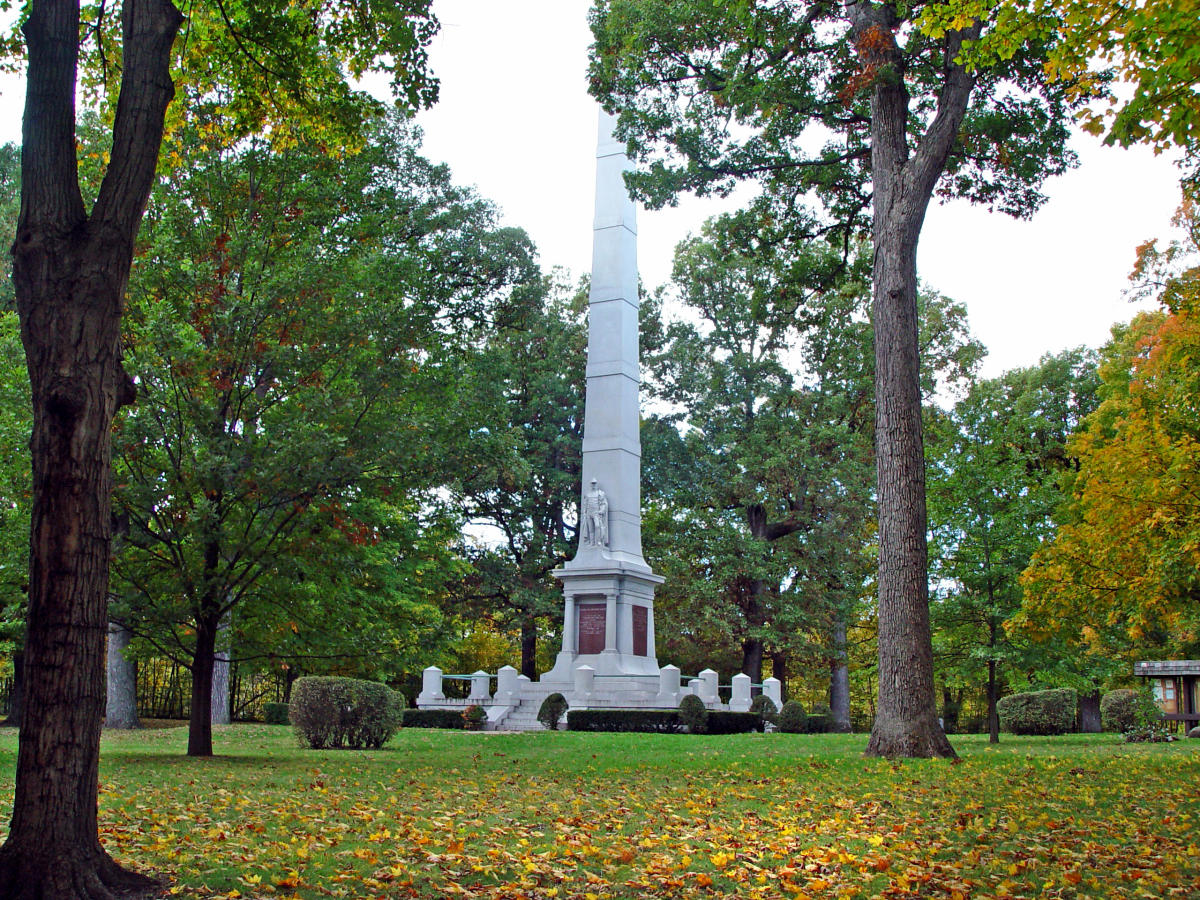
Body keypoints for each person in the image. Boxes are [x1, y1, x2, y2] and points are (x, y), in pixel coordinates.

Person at [582, 479, 609, 547]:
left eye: (594, 483)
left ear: (596, 484)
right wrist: (584, 512)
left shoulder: (600, 493)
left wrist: (601, 511)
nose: (593, 485)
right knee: (590, 528)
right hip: (589, 512)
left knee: (597, 526)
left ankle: (598, 541)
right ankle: (592, 542)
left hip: (596, 512)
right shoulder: (588, 494)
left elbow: (603, 503)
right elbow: (585, 504)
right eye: (592, 483)